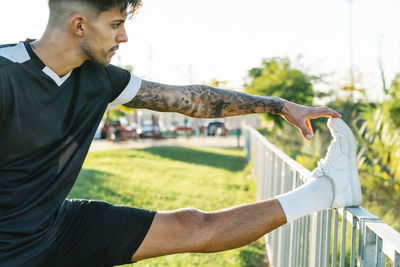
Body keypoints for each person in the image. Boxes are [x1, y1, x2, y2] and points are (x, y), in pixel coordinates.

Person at [0, 0, 362, 266]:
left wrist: (279, 104)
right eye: (115, 24)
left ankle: (328, 189)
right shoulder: (5, 74)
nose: (124, 37)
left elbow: (190, 100)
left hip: (57, 224)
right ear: (79, 25)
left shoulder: (101, 78)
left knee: (195, 226)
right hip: (8, 247)